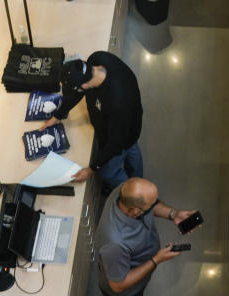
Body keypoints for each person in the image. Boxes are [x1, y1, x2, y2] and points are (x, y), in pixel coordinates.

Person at [41, 51, 143, 193]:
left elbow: (115, 143)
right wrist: (58, 116)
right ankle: (136, 180)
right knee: (130, 151)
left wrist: (92, 169)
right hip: (114, 126)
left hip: (123, 134)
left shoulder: (118, 102)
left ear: (85, 83)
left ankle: (135, 192)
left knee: (110, 170)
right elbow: (78, 92)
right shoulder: (94, 61)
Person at [95, 177, 197, 295]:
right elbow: (118, 285)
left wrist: (174, 214)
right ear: (135, 211)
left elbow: (154, 206)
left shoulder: (124, 191)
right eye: (151, 205)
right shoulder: (114, 244)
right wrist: (156, 259)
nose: (156, 204)